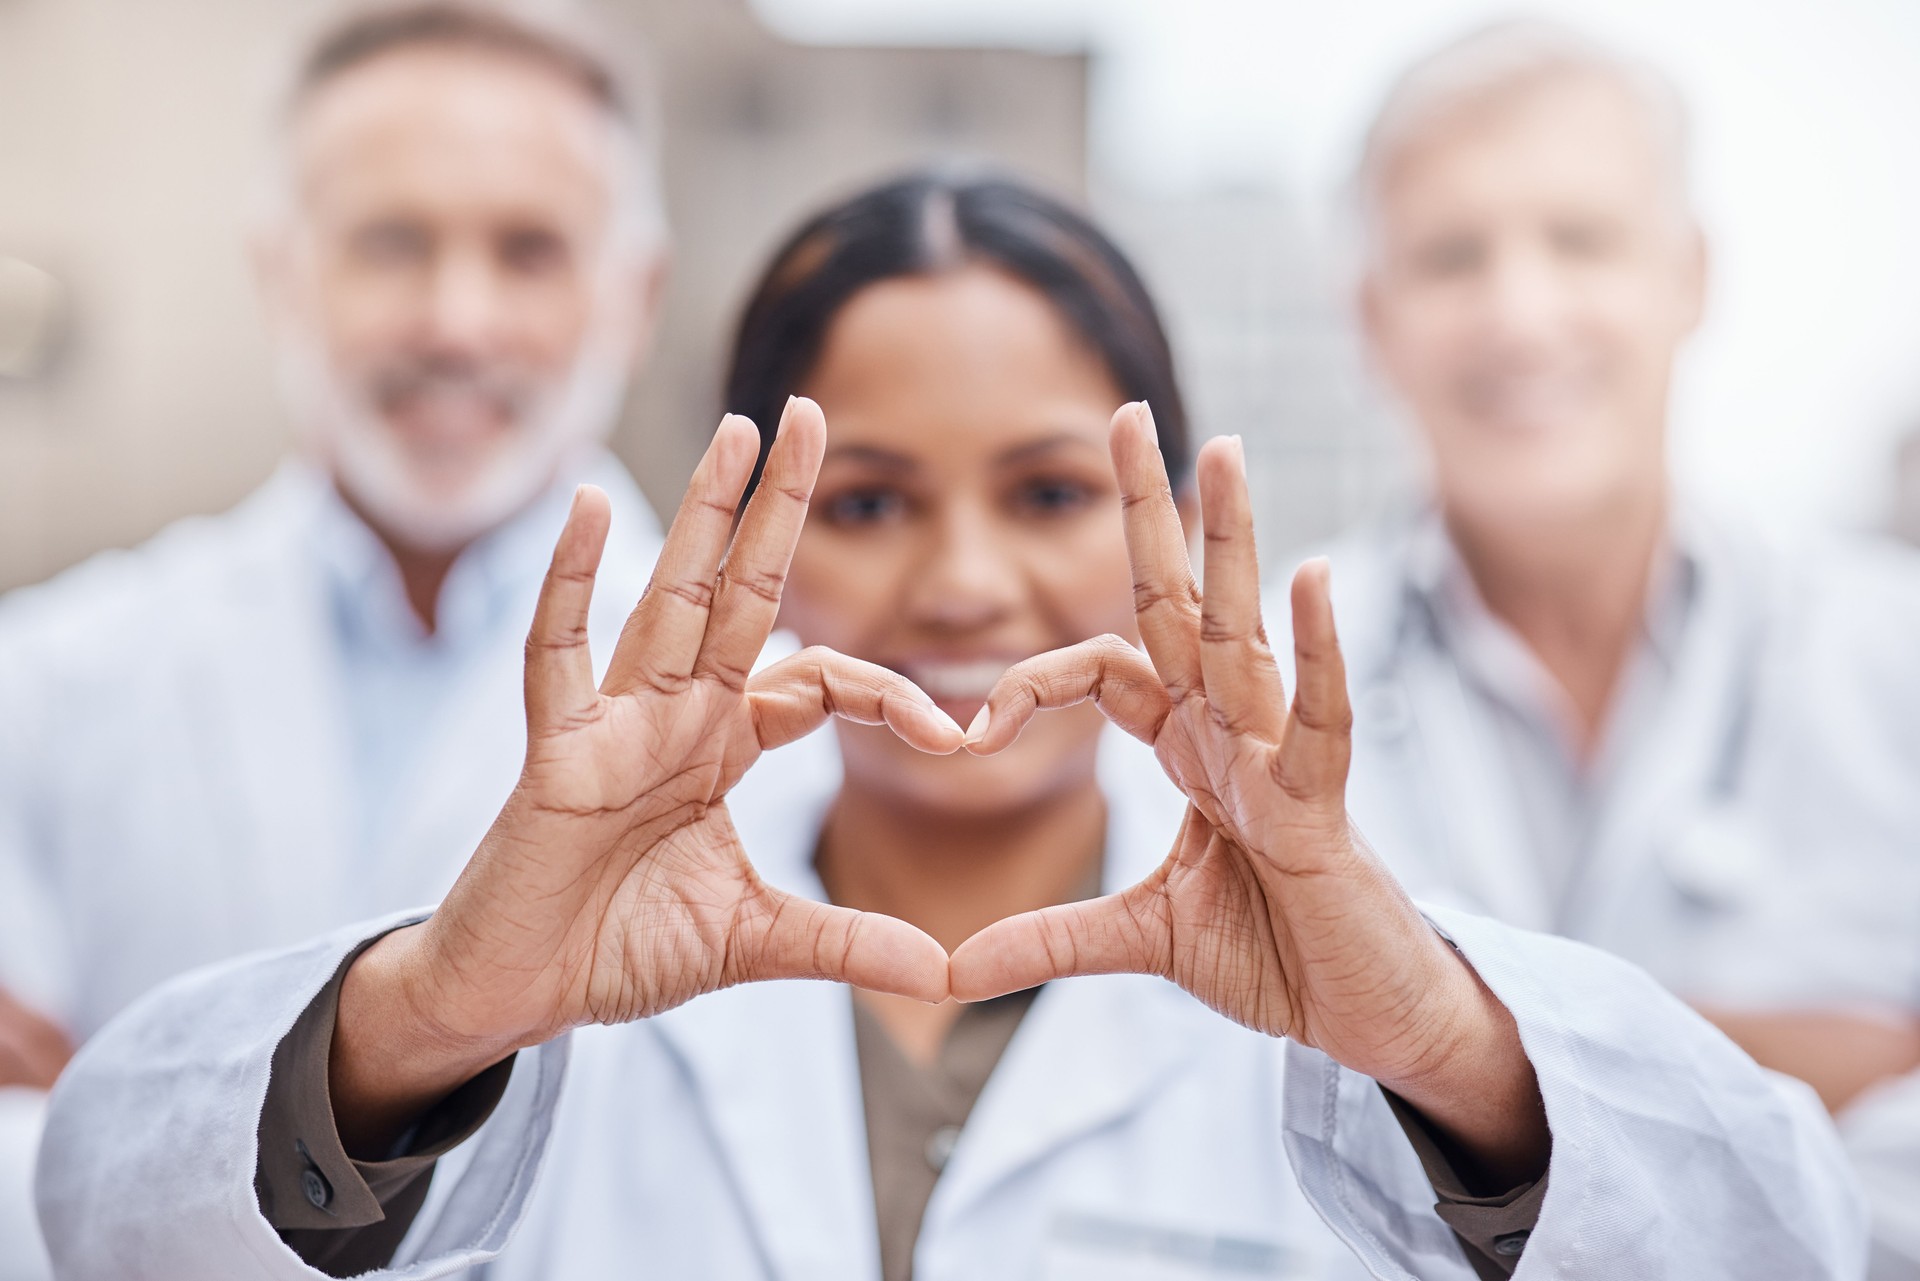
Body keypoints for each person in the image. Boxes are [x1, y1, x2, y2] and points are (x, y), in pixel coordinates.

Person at [39, 174, 1865, 1280]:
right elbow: (107, 1218)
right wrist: (442, 1007)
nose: (966, 584)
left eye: (1055, 493)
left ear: (1171, 518)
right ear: (739, 530)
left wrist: (1445, 1043)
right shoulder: (533, 930)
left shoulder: (1373, 958)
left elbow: (1791, 1241)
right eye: (869, 500)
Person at [0, 3, 669, 1276]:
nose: (456, 320)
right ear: (281, 273)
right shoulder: (46, 677)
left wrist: (121, 1113)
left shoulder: (784, 719)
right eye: (391, 242)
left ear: (635, 295)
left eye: (529, 249)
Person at [1271, 20, 1920, 1275]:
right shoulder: (1259, 685)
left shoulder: (1895, 650)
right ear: (1371, 317)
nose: (1522, 313)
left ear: (1692, 275)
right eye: (1452, 256)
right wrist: (1803, 1060)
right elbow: (1229, 1129)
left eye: (1583, 240)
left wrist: (1449, 1055)